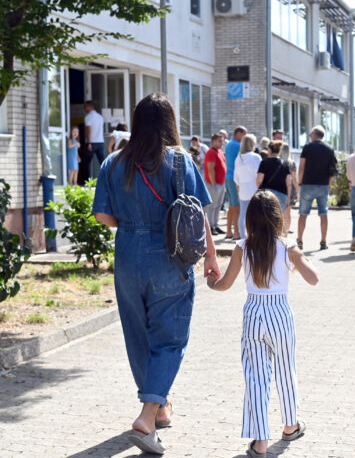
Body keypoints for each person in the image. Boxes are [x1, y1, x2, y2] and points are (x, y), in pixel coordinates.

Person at [92, 93, 220, 455]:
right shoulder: (181, 161)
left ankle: (160, 407)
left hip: (128, 254)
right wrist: (211, 256)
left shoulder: (114, 162)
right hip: (170, 256)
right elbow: (198, 215)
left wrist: (132, 225)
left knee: (138, 335)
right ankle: (147, 417)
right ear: (169, 123)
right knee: (170, 336)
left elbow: (102, 216)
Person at [206, 190, 318, 458]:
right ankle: (291, 425)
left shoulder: (243, 247)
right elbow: (313, 279)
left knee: (256, 378)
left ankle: (260, 442)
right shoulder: (288, 248)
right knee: (285, 370)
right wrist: (301, 258)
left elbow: (225, 284)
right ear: (278, 217)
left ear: (250, 219)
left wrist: (210, 281)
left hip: (254, 312)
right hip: (280, 312)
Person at [297, 126, 338, 251]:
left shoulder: (307, 147)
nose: (310, 136)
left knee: (303, 214)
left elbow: (302, 166)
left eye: (310, 134)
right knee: (323, 214)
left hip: (308, 184)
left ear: (314, 134)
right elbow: (335, 168)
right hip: (323, 185)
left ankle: (299, 241)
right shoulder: (329, 149)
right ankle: (323, 241)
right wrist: (328, 182)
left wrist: (300, 182)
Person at [257, 140, 293, 233]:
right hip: (282, 195)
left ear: (269, 150)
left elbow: (259, 179)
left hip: (267, 194)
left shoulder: (264, 162)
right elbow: (289, 183)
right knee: (278, 218)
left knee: (267, 218)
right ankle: (280, 238)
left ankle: (268, 238)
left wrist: (259, 190)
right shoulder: (285, 164)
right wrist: (288, 198)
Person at [233, 134, 261, 240]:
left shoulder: (238, 159)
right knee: (256, 215)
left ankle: (244, 237)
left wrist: (238, 192)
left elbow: (236, 179)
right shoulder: (255, 157)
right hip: (254, 189)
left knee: (243, 215)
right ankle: (255, 236)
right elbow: (259, 175)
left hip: (243, 190)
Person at [225, 126, 247, 240]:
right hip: (234, 178)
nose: (245, 138)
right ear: (239, 133)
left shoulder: (229, 144)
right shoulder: (238, 145)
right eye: (244, 134)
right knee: (236, 206)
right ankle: (237, 232)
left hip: (228, 177)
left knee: (231, 206)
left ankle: (229, 231)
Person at [205, 132, 227, 236]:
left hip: (221, 183)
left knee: (218, 205)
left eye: (222, 141)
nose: (221, 143)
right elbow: (210, 169)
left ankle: (215, 225)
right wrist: (214, 184)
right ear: (213, 141)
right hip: (214, 184)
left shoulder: (219, 151)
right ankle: (210, 227)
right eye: (219, 141)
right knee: (212, 206)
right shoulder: (211, 152)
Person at [279, 143, 299, 233]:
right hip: (289, 188)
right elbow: (294, 178)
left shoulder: (278, 161)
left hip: (279, 186)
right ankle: (286, 231)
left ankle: (280, 229)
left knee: (279, 210)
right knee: (287, 211)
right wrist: (298, 190)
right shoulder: (291, 163)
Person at [84, 100, 105, 175]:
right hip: (100, 142)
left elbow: (88, 130)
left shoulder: (88, 117)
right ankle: (106, 179)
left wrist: (89, 142)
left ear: (89, 107)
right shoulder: (100, 117)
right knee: (102, 162)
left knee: (87, 162)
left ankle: (87, 181)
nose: (84, 108)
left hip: (91, 142)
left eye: (85, 106)